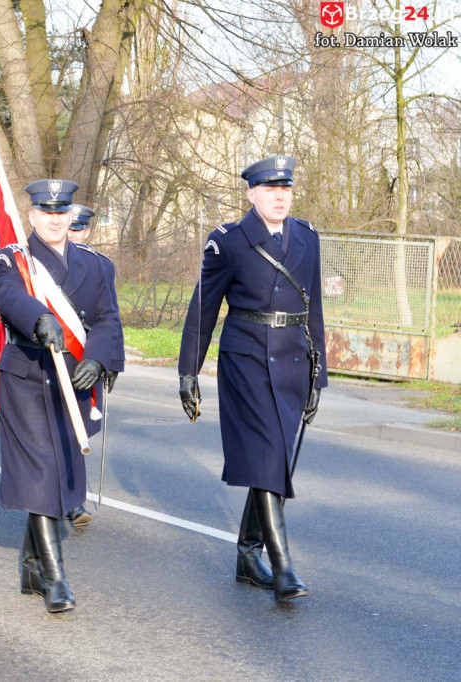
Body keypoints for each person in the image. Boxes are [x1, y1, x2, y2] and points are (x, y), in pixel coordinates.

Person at [178, 155, 326, 603]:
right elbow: (203, 308)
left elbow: (314, 307)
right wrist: (189, 369)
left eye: (286, 189)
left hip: (294, 360)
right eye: (269, 189)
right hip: (246, 359)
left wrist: (319, 375)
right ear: (251, 193)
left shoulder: (307, 237)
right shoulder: (229, 241)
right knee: (267, 454)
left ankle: (247, 553)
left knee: (276, 460)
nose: (279, 196)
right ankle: (282, 566)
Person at [0, 179, 121, 614]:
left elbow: (106, 318)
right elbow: (6, 296)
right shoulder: (13, 259)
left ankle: (30, 564)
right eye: (46, 211)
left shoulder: (95, 264)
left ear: (70, 215)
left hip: (75, 379)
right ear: (32, 215)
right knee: (43, 469)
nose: (54, 218)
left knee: (58, 469)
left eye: (61, 211)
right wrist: (39, 318)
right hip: (28, 374)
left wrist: (99, 360)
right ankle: (54, 576)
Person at [59, 203, 126, 528]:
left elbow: (110, 316)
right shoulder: (40, 265)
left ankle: (73, 498)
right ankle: (62, 497)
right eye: (70, 227)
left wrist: (111, 361)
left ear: (86, 231)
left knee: (77, 430)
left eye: (79, 228)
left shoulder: (101, 265)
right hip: (54, 355)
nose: (74, 233)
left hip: (87, 356)